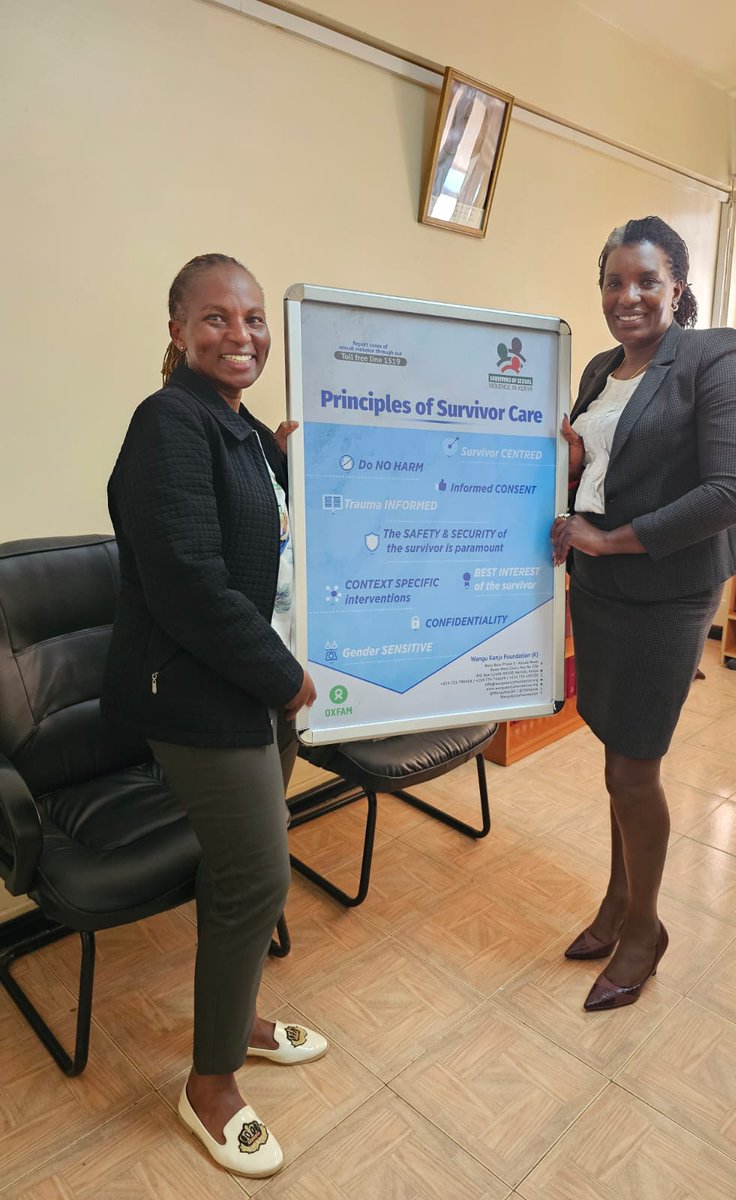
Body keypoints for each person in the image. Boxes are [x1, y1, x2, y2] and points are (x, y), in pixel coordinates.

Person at [102, 253, 323, 1178]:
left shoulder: (241, 431)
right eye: (217, 319)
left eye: (255, 319)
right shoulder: (167, 424)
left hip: (255, 688)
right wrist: (285, 678)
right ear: (177, 329)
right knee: (254, 877)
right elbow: (190, 584)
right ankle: (210, 1084)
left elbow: (277, 540)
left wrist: (299, 457)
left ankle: (241, 1018)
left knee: (250, 878)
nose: (241, 335)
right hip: (198, 697)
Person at [551, 217, 736, 1012]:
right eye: (613, 281)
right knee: (615, 755)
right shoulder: (603, 368)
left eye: (645, 280)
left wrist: (611, 541)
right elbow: (602, 468)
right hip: (601, 589)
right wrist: (571, 473)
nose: (626, 296)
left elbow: (732, 491)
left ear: (677, 287)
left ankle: (644, 927)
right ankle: (614, 902)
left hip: (668, 588)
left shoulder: (712, 355)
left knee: (635, 765)